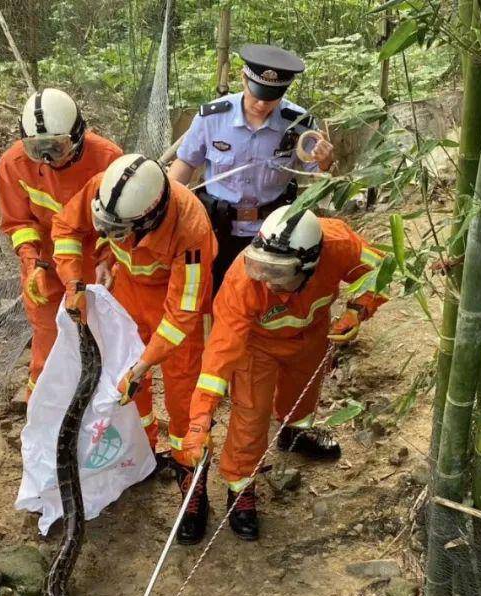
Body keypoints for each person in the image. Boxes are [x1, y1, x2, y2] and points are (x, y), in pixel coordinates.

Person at [180, 206, 386, 542]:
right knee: (250, 417)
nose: (267, 281)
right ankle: (241, 488)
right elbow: (219, 353)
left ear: (309, 264)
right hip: (256, 348)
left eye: (278, 274)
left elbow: (385, 271)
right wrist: (200, 418)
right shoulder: (242, 283)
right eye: (263, 269)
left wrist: (357, 310)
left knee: (302, 394)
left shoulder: (339, 243)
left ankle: (295, 433)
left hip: (313, 335)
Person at [52, 153, 217, 543]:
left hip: (177, 312)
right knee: (128, 395)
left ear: (148, 220)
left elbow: (181, 317)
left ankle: (192, 485)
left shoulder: (191, 230)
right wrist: (76, 283)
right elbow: (67, 229)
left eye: (120, 232)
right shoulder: (108, 190)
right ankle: (141, 455)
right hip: (128, 296)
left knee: (184, 401)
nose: (114, 234)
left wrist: (144, 365)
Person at [168, 44, 334, 295]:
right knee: (210, 296)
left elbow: (320, 175)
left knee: (263, 302)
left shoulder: (299, 123)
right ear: (243, 79)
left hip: (271, 235)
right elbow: (186, 163)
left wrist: (325, 161)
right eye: (256, 93)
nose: (261, 103)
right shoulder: (212, 118)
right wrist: (170, 208)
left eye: (271, 97)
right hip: (215, 229)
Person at [0, 88, 122, 402]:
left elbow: (117, 220)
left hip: (93, 257)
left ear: (77, 136)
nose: (47, 158)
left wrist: (108, 258)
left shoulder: (107, 159)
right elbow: (18, 223)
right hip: (45, 261)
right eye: (37, 149)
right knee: (46, 327)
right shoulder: (13, 164)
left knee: (96, 327)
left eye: (56, 147)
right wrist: (31, 263)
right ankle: (42, 397)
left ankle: (97, 395)